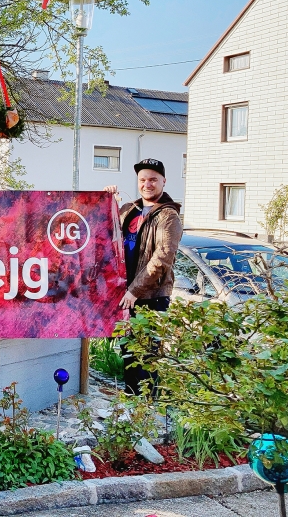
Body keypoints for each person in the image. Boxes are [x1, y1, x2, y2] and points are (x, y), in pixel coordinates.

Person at [104, 158, 182, 396]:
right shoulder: (129, 209)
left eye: (153, 180)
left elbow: (163, 257)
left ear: (164, 182)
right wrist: (107, 203)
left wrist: (134, 291)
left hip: (150, 296)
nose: (147, 184)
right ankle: (131, 403)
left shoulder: (168, 216)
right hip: (125, 293)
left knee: (147, 356)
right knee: (128, 352)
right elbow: (105, 236)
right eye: (143, 180)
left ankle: (147, 408)